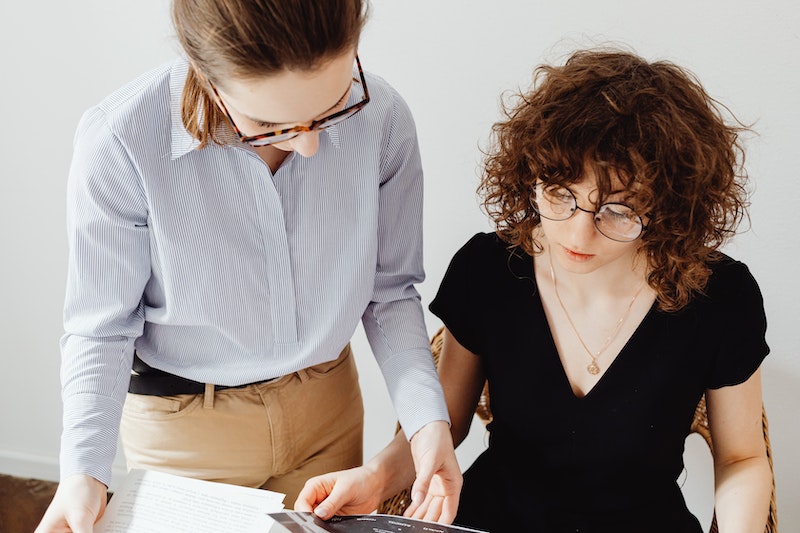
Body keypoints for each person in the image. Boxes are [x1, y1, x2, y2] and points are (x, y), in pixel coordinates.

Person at [295, 48, 773, 532]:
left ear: (669, 207)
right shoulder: (491, 269)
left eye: (618, 212)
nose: (576, 234)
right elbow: (447, 425)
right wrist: (375, 478)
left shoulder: (719, 297)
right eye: (560, 194)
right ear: (532, 174)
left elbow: (741, 458)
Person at [35, 1, 462, 531]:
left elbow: (391, 291)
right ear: (206, 74)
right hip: (186, 427)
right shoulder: (120, 142)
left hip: (327, 405)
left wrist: (427, 424)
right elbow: (102, 328)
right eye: (267, 123)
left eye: (332, 107)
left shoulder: (383, 117)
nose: (308, 146)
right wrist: (84, 472)